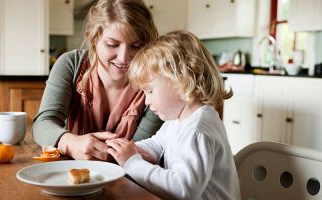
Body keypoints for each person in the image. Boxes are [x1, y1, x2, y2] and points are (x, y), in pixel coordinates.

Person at [106, 30, 240, 199]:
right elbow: (157, 145)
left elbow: (183, 190)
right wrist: (130, 149)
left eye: (150, 91)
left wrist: (132, 162)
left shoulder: (197, 130)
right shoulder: (179, 120)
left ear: (180, 82)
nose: (146, 101)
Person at [32, 0, 163, 161]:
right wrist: (71, 143)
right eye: (112, 44)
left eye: (136, 46)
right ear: (93, 39)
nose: (123, 57)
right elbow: (42, 124)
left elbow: (141, 150)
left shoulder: (157, 83)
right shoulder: (70, 64)